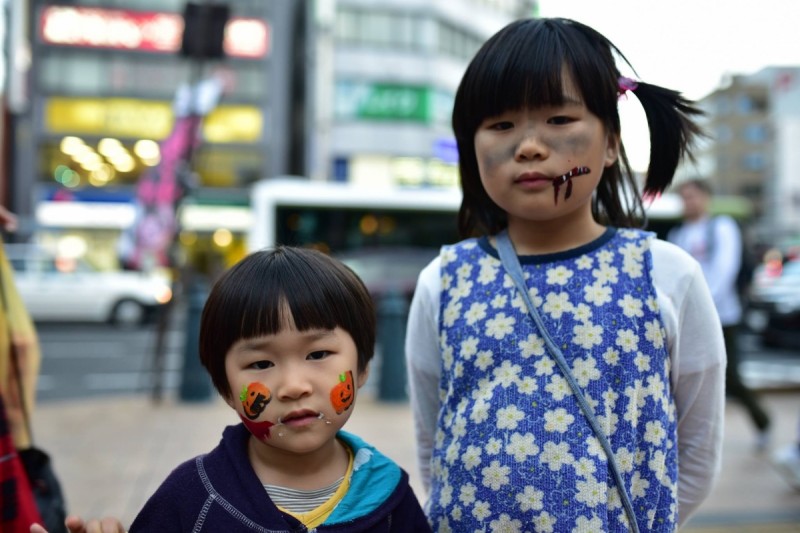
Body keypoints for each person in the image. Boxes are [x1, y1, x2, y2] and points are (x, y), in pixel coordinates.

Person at [405, 17, 725, 532]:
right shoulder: (443, 282)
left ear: (612, 142)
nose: (529, 145)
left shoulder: (667, 276)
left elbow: (697, 450)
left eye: (558, 118)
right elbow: (433, 442)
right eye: (502, 125)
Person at [33, 246, 430, 533]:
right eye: (260, 364)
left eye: (319, 353)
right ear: (225, 388)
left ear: (361, 368)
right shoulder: (190, 497)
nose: (293, 386)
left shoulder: (390, 497)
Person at [668, 178, 771, 450]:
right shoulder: (678, 234)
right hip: (687, 318)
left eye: (692, 196)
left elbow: (726, 268)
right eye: (684, 197)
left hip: (722, 316)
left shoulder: (720, 227)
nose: (688, 202)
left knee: (731, 377)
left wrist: (702, 306)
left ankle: (763, 422)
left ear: (706, 197)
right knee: (686, 377)